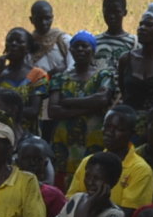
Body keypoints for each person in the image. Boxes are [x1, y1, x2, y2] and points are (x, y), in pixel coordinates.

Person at [45, 31, 116, 186]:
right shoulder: (60, 78)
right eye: (76, 46)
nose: (80, 50)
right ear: (70, 50)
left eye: (85, 46)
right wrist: (89, 108)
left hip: (93, 138)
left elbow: (102, 99)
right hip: (64, 142)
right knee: (63, 183)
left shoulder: (103, 75)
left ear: (93, 50)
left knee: (93, 177)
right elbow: (53, 111)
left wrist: (68, 102)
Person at [65, 105, 153, 209]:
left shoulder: (140, 170)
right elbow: (71, 201)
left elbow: (129, 212)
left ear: (132, 133)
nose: (109, 133)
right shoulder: (88, 161)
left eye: (118, 129)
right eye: (106, 126)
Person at [0, 27, 48, 138]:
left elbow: (33, 111)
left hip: (24, 134)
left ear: (27, 48)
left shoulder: (38, 75)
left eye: (19, 41)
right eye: (10, 41)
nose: (13, 44)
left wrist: (3, 111)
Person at [94, 0, 136, 75]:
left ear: (125, 12)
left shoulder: (134, 43)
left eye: (116, 12)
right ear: (103, 11)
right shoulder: (95, 42)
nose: (112, 16)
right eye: (108, 12)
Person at [27, 0, 67, 71]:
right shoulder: (27, 44)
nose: (43, 23)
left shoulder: (62, 39)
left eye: (47, 18)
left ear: (52, 18)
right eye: (39, 19)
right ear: (31, 20)